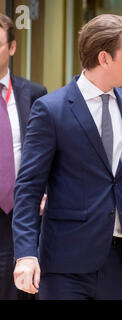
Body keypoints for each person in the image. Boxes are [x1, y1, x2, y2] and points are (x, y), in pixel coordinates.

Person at [12, 14, 122, 300]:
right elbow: (29, 189)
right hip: (65, 264)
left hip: (121, 262)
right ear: (105, 58)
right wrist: (26, 254)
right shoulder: (50, 109)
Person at [0, 13, 47, 300]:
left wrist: (46, 191)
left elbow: (48, 151)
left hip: (23, 209)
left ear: (12, 48)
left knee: (20, 287)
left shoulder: (34, 93)